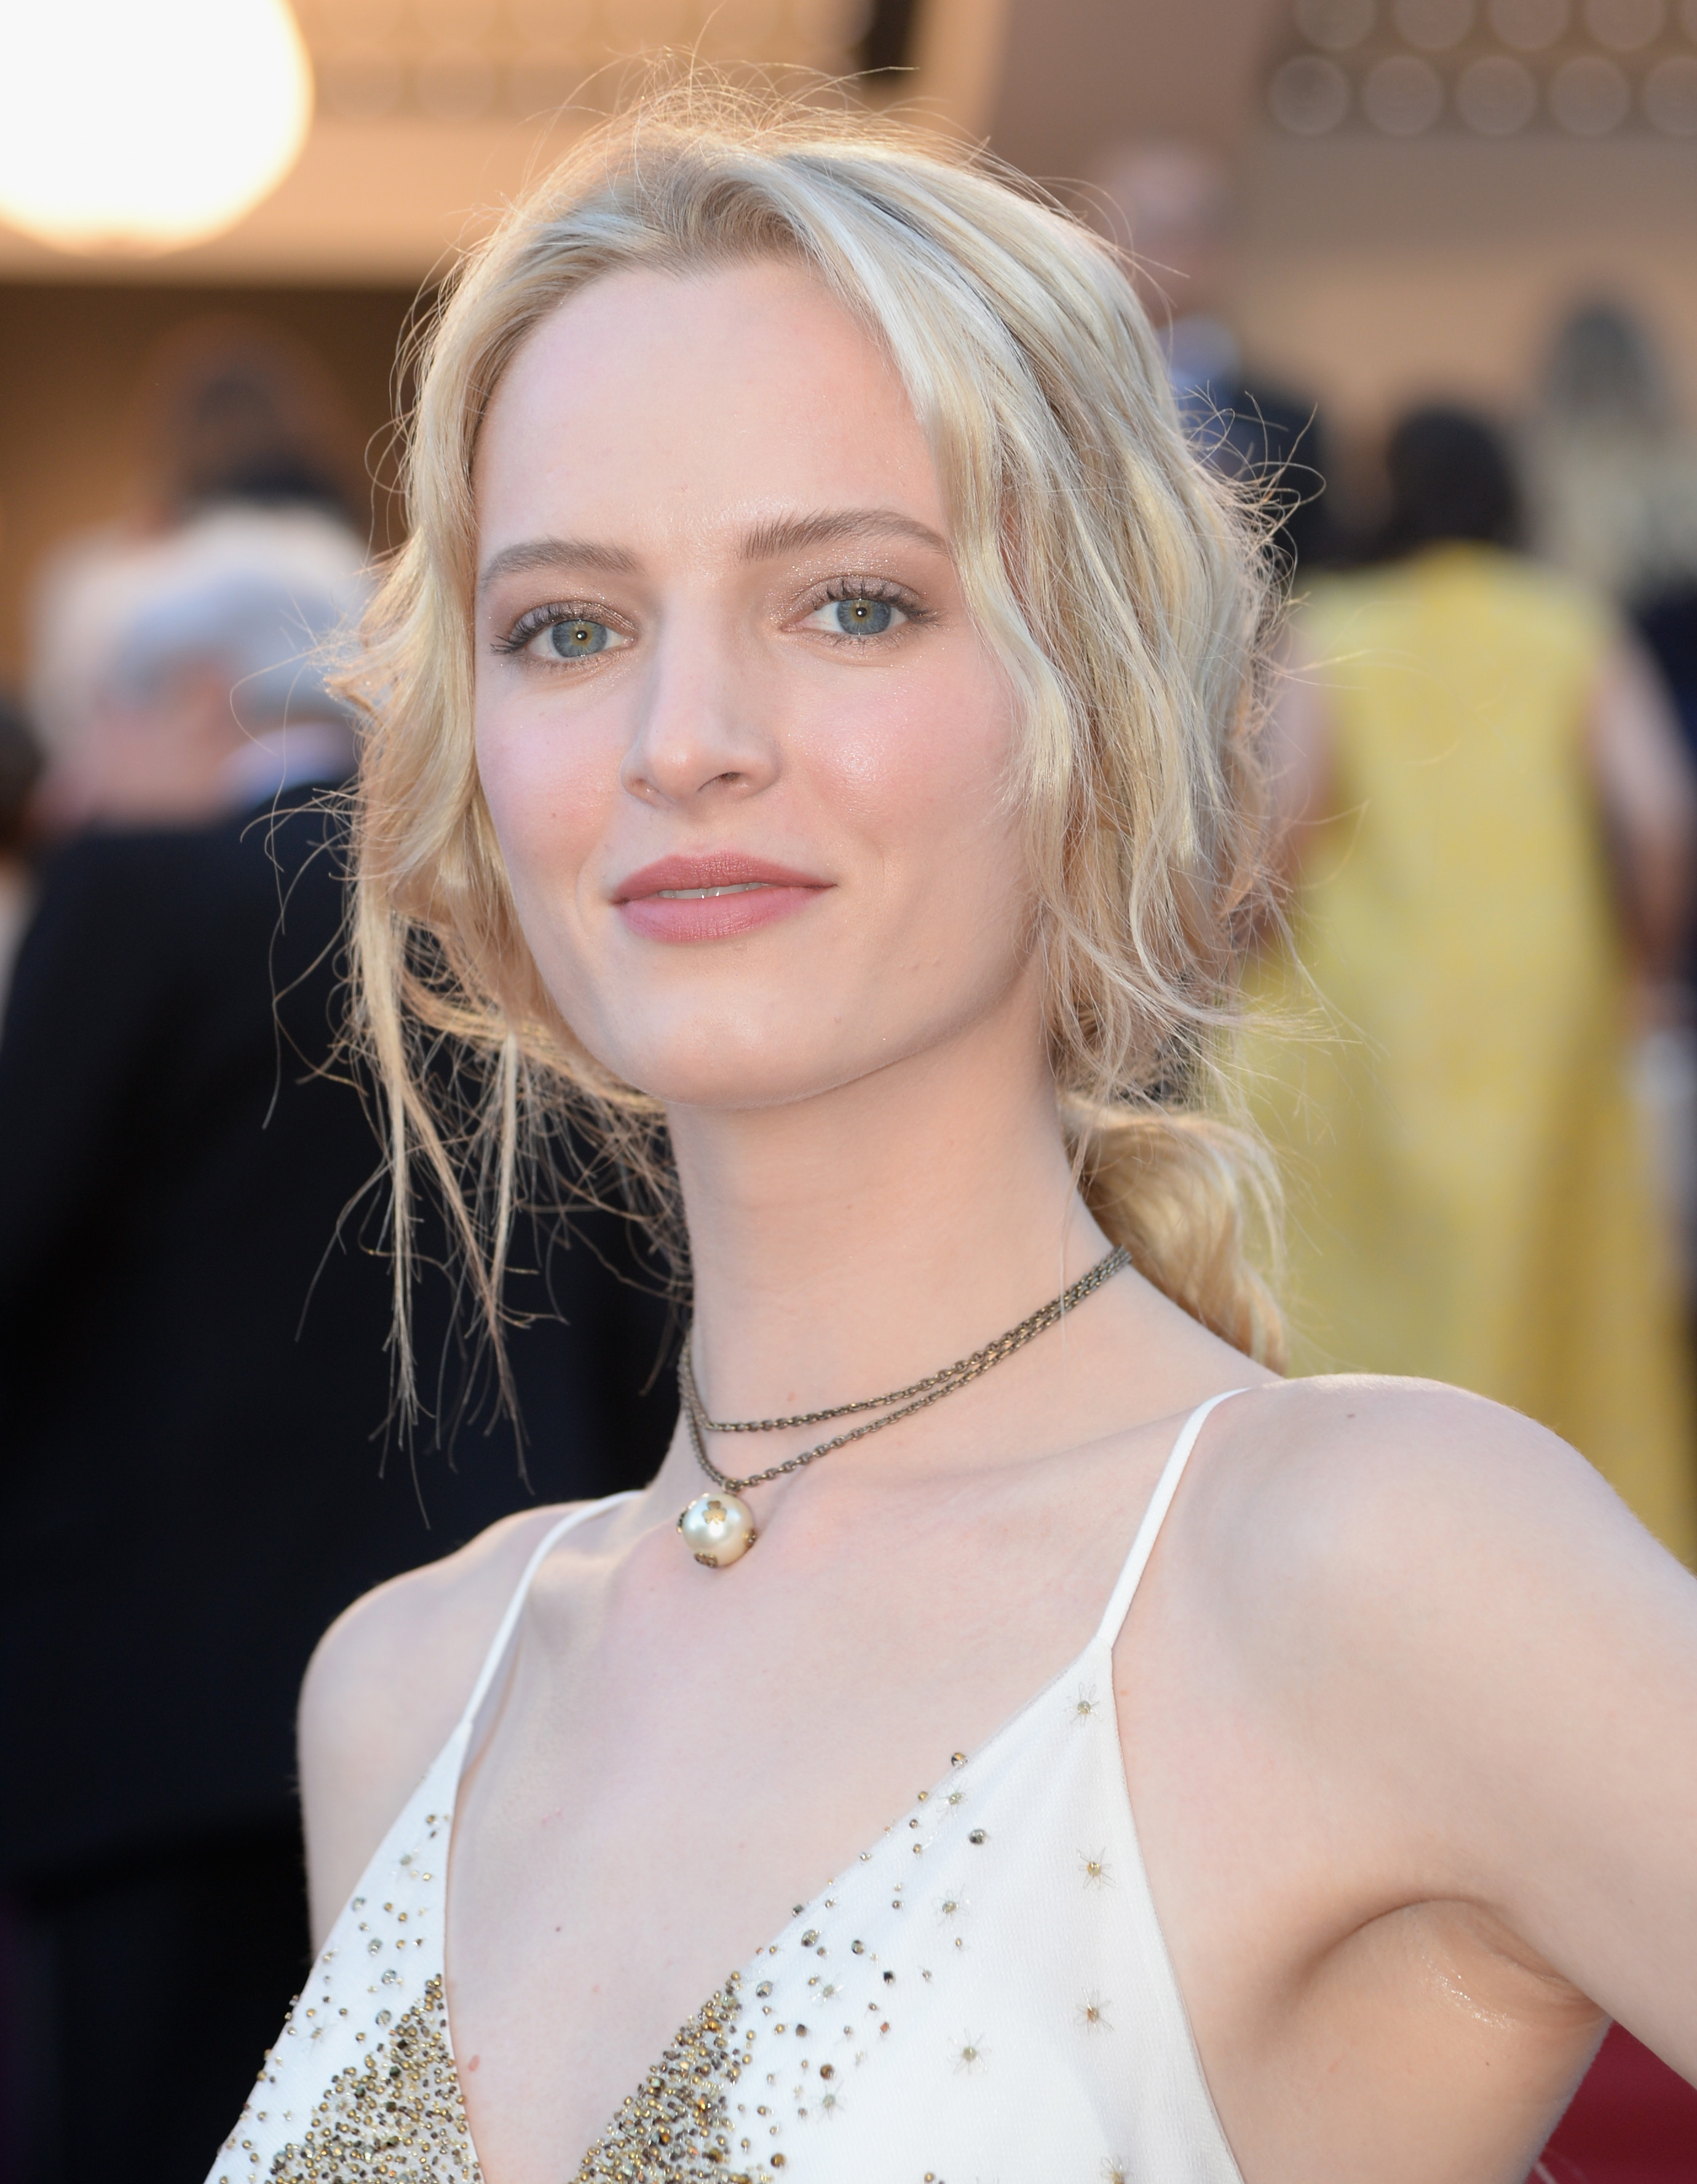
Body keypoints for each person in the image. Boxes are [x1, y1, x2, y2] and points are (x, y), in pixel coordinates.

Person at [213, 89, 1697, 2184]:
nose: (683, 741)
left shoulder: (1364, 1565)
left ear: (1094, 693)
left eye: (852, 603)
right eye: (569, 626)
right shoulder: (408, 1691)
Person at [0, 508, 676, 2182]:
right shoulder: (523, 915)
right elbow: (653, 1299)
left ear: (197, 696)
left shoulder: (141, 897)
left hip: (166, 1710)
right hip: (521, 1683)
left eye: (94, 727)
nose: (73, 787)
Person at [1254, 405, 1697, 1568]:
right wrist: (1643, 971)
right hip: (1546, 995)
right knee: (1555, 1286)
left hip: (1365, 998)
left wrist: (1239, 944)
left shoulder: (1334, 621)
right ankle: (1576, 1551)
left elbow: (1284, 815)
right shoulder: (1565, 619)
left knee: (1386, 1290)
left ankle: (1380, 1543)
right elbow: (1659, 814)